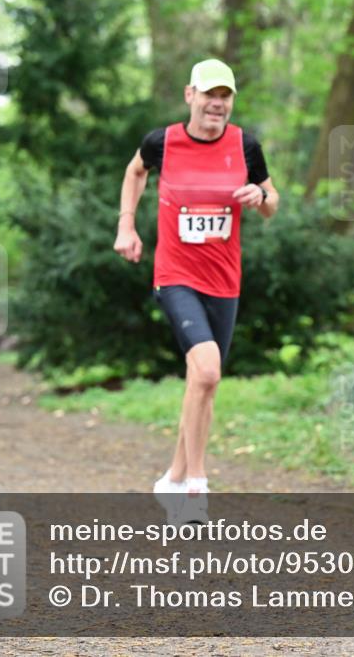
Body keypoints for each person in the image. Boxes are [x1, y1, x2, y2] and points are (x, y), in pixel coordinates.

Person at [113, 59, 279, 525]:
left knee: (202, 382)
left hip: (225, 280)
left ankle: (171, 478)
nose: (217, 104)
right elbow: (135, 173)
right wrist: (127, 226)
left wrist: (259, 197)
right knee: (207, 370)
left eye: (225, 96)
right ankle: (196, 489)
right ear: (190, 95)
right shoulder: (162, 141)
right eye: (210, 94)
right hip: (175, 274)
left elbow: (272, 202)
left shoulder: (245, 145)